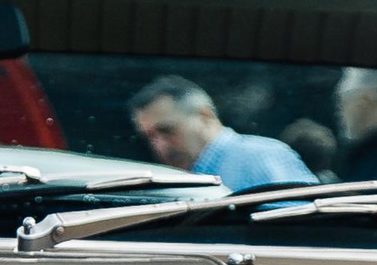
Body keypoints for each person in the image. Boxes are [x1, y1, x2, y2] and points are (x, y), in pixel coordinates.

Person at [126, 78, 313, 192]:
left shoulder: (259, 157)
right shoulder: (185, 176)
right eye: (149, 137)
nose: (159, 146)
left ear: (205, 115)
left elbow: (302, 233)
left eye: (167, 130)